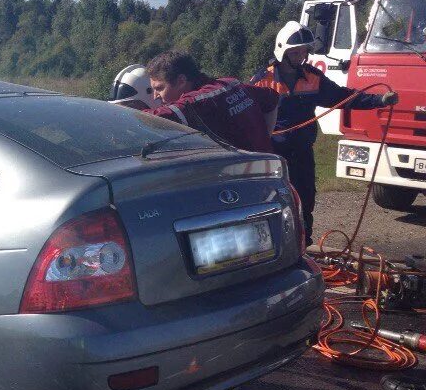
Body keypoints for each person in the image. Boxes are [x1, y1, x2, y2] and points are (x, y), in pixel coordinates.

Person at [251, 21, 399, 244]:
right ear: (283, 50)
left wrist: (378, 100)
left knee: (305, 200)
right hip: (274, 155)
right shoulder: (263, 80)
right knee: (272, 202)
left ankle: (303, 245)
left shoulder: (313, 78)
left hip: (302, 153)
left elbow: (344, 97)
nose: (301, 56)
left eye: (304, 51)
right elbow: (248, 115)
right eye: (296, 51)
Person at [141, 51, 279, 153]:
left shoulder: (200, 101)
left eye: (159, 88)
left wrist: (121, 113)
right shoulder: (230, 83)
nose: (155, 96)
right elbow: (272, 98)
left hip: (243, 180)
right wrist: (265, 138)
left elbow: (156, 117)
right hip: (269, 170)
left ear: (181, 81)